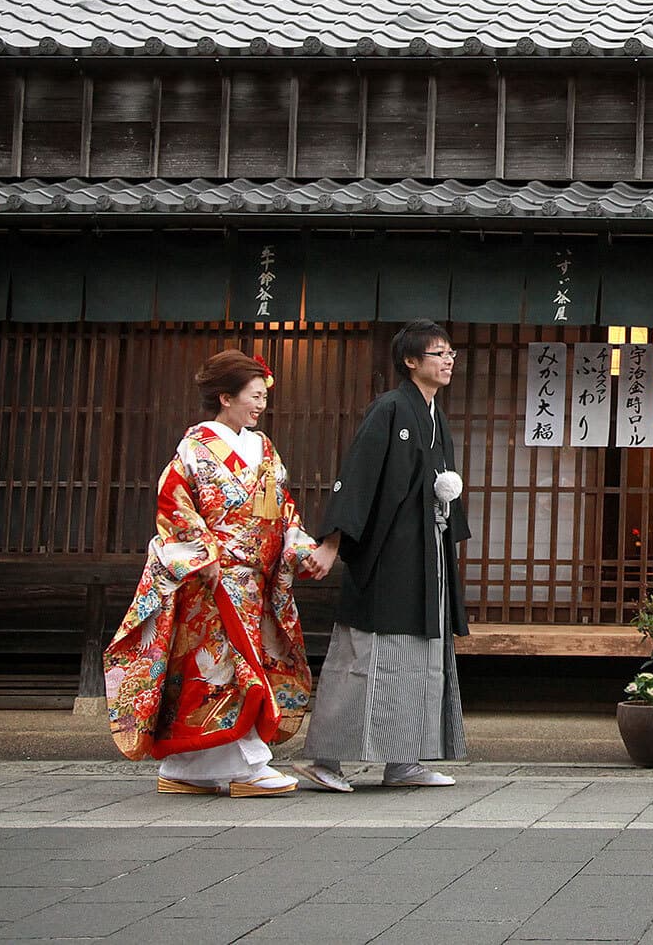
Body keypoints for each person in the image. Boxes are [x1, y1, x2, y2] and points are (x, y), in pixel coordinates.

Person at [104, 350, 322, 795]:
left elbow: (284, 510)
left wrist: (299, 546)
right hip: (213, 580)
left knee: (229, 669)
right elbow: (174, 507)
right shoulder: (196, 448)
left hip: (255, 580)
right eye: (253, 396)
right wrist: (204, 558)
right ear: (226, 397)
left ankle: (188, 768)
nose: (260, 406)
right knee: (224, 670)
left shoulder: (263, 448)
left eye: (263, 396)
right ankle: (248, 764)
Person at [292, 320, 469, 791]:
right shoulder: (390, 408)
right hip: (387, 556)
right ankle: (325, 759)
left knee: (420, 655)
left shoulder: (433, 414)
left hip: (425, 556)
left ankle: (404, 760)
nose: (448, 360)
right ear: (411, 361)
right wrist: (332, 544)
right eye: (438, 353)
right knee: (366, 652)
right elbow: (359, 475)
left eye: (451, 352)